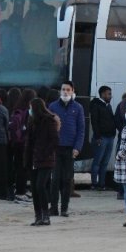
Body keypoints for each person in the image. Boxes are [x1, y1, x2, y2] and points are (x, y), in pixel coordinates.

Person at [48, 81, 85, 216]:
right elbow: (48, 128)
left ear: (72, 91)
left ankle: (64, 208)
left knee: (67, 180)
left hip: (70, 149)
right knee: (55, 179)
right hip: (56, 148)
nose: (65, 92)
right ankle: (53, 207)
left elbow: (81, 129)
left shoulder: (78, 107)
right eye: (63, 89)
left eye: (68, 90)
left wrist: (77, 147)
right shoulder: (52, 106)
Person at [24, 98, 60, 226]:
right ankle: (38, 215)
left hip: (45, 159)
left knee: (40, 186)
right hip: (32, 159)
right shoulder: (31, 121)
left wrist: (45, 153)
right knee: (34, 188)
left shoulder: (49, 121)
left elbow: (54, 141)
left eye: (31, 107)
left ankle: (46, 215)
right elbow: (29, 141)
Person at [8, 88, 35, 202]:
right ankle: (20, 192)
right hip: (24, 143)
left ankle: (20, 190)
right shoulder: (26, 112)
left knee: (19, 167)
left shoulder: (17, 109)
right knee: (22, 169)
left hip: (17, 143)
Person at [90, 86, 116, 190]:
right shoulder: (96, 105)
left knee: (105, 162)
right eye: (109, 94)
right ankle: (94, 184)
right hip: (101, 138)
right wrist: (98, 136)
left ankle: (102, 184)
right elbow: (94, 122)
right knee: (97, 161)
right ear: (103, 94)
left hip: (110, 137)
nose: (110, 96)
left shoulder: (108, 106)